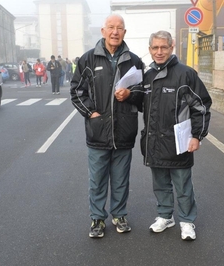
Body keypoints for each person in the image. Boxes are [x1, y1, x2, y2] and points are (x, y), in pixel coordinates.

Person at [70, 14, 144, 238]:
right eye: (111, 27)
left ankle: (119, 214)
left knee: (121, 178)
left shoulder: (134, 61)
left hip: (124, 130)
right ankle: (97, 219)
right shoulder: (88, 59)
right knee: (98, 180)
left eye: (119, 28)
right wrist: (91, 113)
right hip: (98, 132)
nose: (115, 32)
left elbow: (143, 93)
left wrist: (130, 94)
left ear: (124, 33)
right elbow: (76, 91)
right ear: (103, 31)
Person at [141, 30, 212, 241]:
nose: (159, 51)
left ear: (171, 48)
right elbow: (140, 103)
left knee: (183, 186)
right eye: (155, 48)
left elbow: (201, 106)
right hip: (153, 141)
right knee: (160, 184)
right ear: (150, 50)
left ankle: (187, 221)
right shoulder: (147, 75)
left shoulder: (186, 74)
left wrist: (197, 136)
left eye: (164, 47)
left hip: (178, 143)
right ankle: (165, 215)